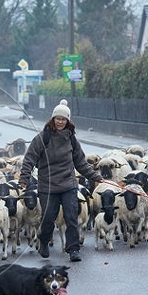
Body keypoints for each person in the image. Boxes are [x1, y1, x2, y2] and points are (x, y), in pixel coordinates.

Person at [17, 99, 102, 262]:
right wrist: (24, 178)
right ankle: (43, 241)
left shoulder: (71, 139)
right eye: (58, 118)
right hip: (48, 186)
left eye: (64, 119)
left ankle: (74, 249)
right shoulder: (42, 138)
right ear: (53, 119)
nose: (60, 122)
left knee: (71, 217)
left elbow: (80, 162)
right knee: (48, 217)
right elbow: (29, 158)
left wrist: (95, 177)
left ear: (68, 121)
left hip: (68, 185)